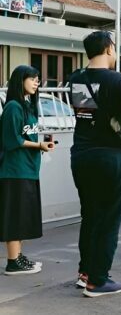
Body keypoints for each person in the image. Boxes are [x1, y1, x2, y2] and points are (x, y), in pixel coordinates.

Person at [69, 31, 121, 297]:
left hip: (81, 155)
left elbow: (86, 114)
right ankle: (98, 281)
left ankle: (85, 273)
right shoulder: (117, 79)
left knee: (90, 215)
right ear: (108, 48)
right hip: (111, 156)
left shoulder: (75, 79)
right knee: (109, 218)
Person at [0, 65, 56, 275]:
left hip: (28, 170)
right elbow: (11, 139)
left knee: (22, 215)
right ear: (19, 80)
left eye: (38, 79)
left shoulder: (27, 105)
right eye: (32, 79)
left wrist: (41, 145)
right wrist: (39, 146)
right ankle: (13, 262)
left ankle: (18, 257)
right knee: (15, 215)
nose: (36, 83)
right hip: (15, 171)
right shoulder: (13, 107)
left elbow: (26, 136)